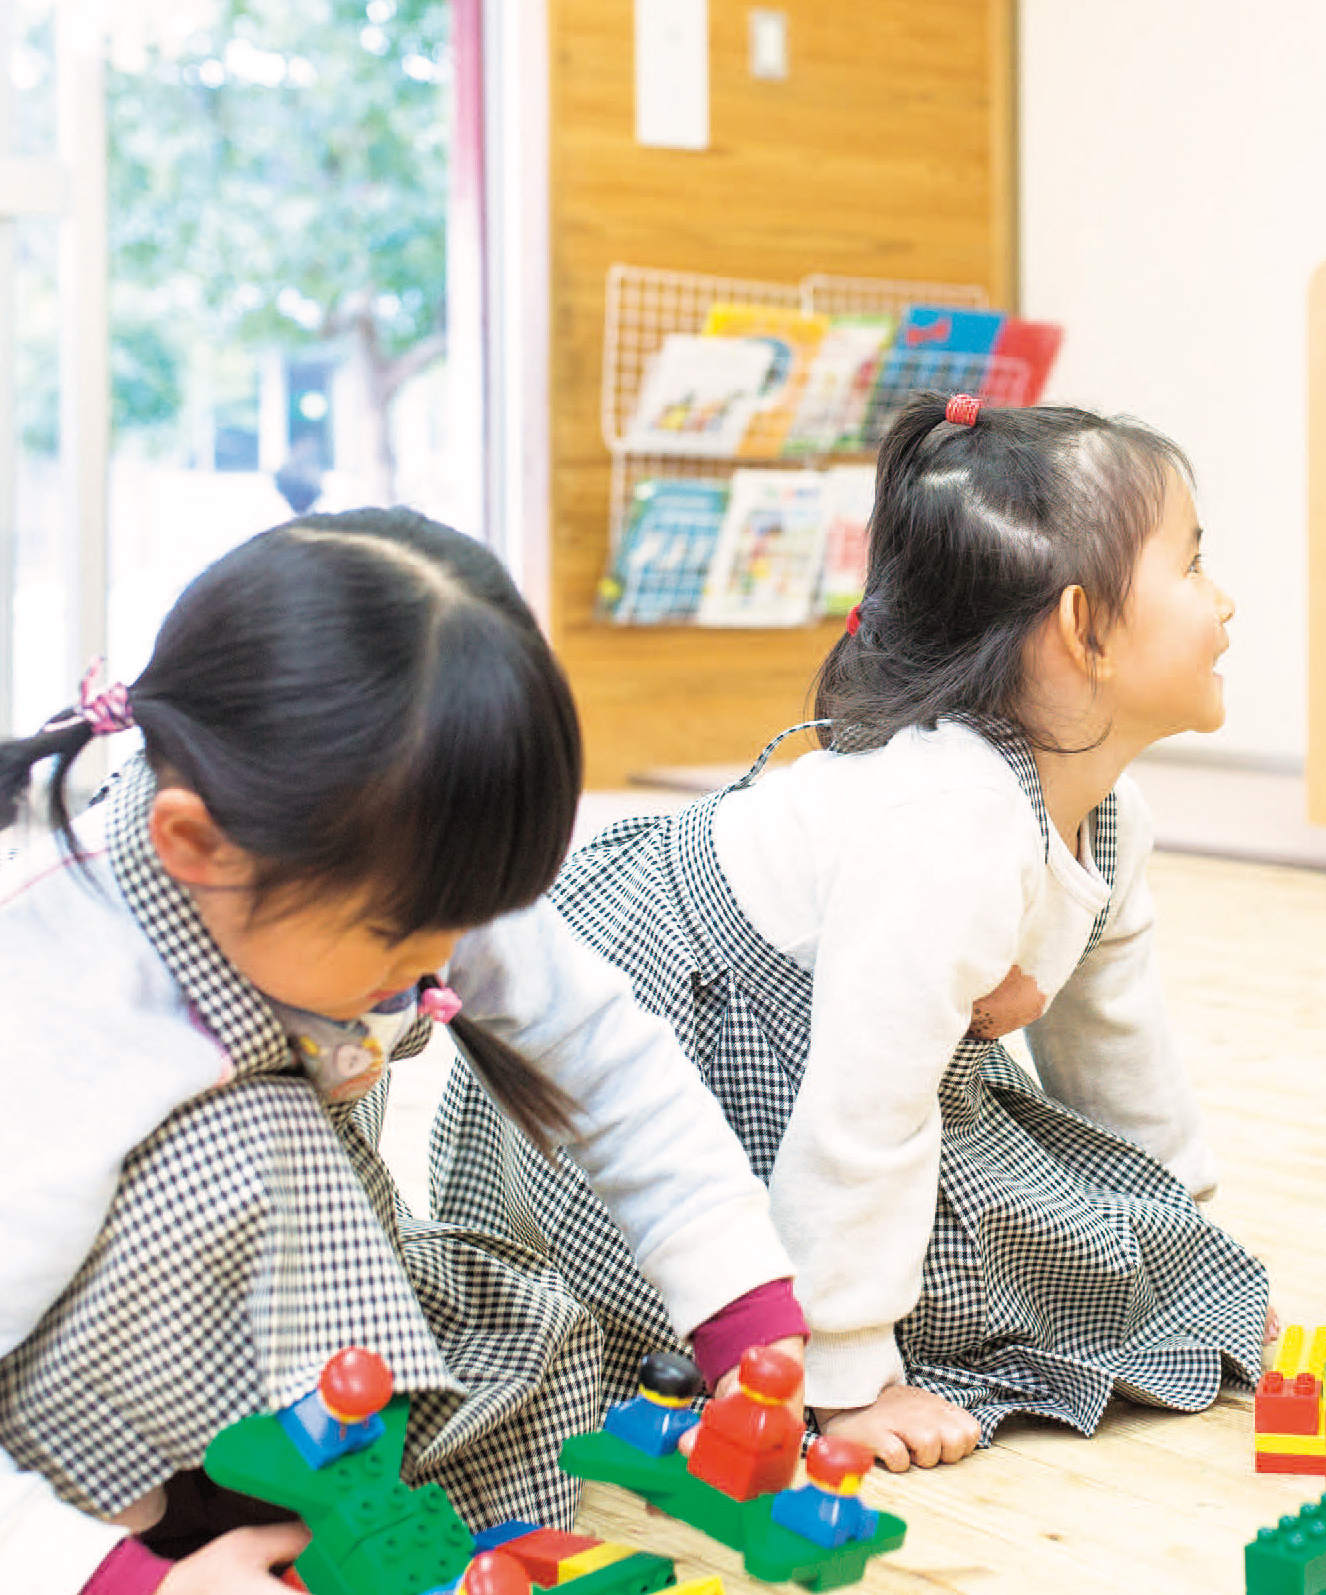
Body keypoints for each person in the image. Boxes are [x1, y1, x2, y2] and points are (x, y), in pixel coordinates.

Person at [0, 508, 803, 1594]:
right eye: (402, 940)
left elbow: (602, 1052)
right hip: (10, 1413)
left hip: (228, 1322)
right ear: (194, 845)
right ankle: (158, 1524)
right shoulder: (34, 1012)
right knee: (245, 1135)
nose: (443, 962)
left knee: (527, 1352)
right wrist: (125, 1579)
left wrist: (751, 1327)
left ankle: (294, 1498)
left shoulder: (378, 848)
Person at [435, 392, 1270, 1473]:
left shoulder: (1113, 815)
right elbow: (861, 1117)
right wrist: (846, 1377)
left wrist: (1184, 1255)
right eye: (1194, 566)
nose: (1227, 601)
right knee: (923, 1245)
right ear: (1082, 629)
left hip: (813, 1038)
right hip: (673, 1013)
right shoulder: (951, 824)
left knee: (1027, 1229)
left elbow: (1118, 1054)